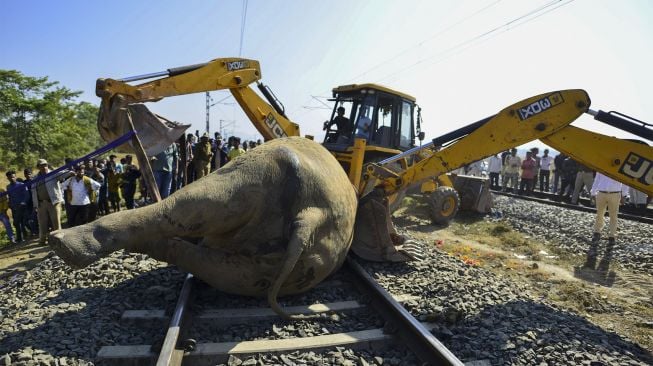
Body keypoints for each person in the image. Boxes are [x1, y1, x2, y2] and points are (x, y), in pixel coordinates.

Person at [31, 159, 65, 245]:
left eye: (45, 165)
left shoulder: (54, 173)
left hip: (53, 202)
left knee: (56, 222)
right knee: (42, 223)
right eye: (41, 165)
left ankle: (59, 240)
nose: (44, 167)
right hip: (41, 204)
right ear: (38, 167)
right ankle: (42, 240)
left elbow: (64, 173)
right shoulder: (35, 178)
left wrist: (71, 172)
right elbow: (34, 192)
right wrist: (36, 204)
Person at [590, 172, 629, 245]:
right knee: (599, 213)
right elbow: (597, 180)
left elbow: (624, 181)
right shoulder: (601, 168)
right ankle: (597, 231)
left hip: (615, 193)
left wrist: (624, 195)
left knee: (613, 215)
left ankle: (612, 235)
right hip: (602, 192)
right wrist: (593, 192)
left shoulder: (619, 168)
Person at [6, 170, 30, 242]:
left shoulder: (21, 184)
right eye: (10, 177)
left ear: (15, 176)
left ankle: (31, 233)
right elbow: (10, 197)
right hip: (14, 207)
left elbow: (27, 195)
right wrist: (10, 204)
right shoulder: (8, 187)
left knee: (22, 222)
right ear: (8, 178)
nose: (12, 179)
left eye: (13, 177)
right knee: (17, 223)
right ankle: (21, 238)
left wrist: (23, 202)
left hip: (22, 206)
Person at [22, 168, 38, 235]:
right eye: (26, 174)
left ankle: (38, 230)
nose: (28, 175)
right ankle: (34, 231)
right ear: (24, 175)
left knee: (37, 217)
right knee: (28, 219)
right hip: (28, 203)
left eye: (29, 174)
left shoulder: (36, 181)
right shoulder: (23, 183)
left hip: (36, 201)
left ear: (32, 174)